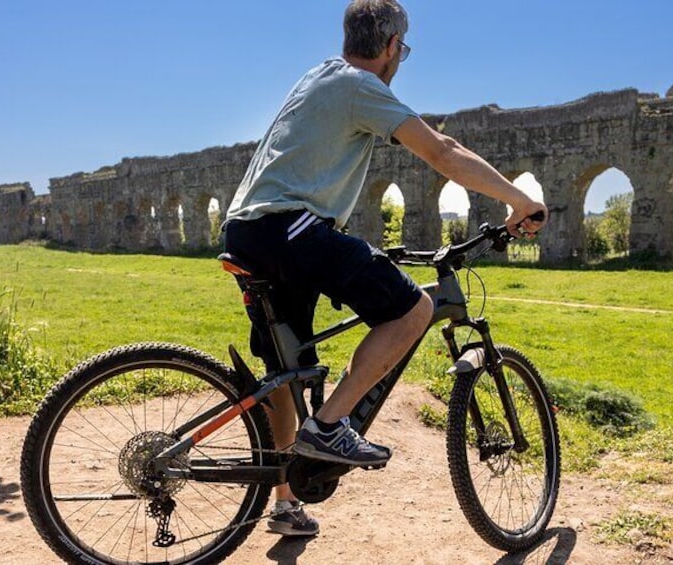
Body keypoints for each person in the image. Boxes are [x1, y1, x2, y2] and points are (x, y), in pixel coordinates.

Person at [222, 0, 548, 537]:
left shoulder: (319, 76)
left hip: (251, 231)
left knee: (288, 374)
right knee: (412, 308)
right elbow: (442, 151)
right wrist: (517, 199)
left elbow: (446, 145)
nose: (402, 59)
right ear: (393, 46)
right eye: (404, 50)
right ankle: (330, 427)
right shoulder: (359, 85)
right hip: (289, 228)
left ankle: (285, 500)